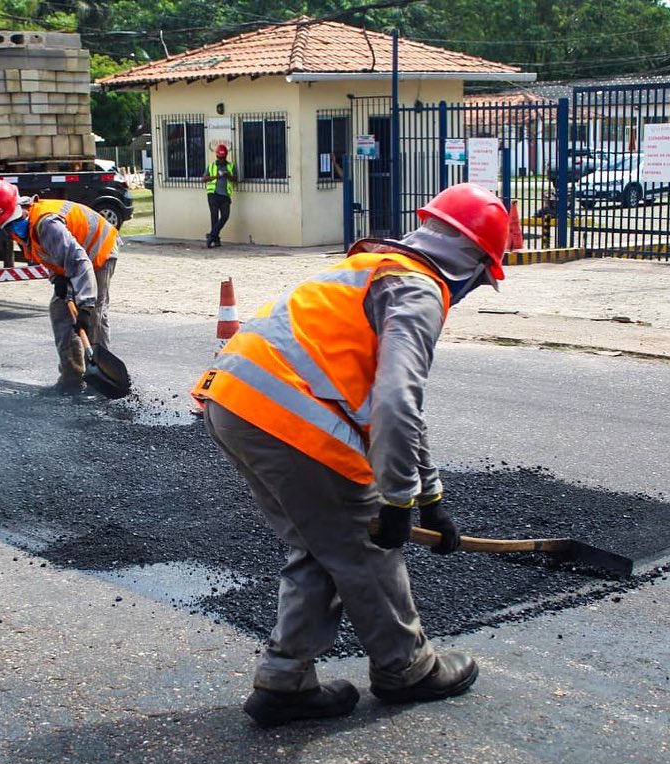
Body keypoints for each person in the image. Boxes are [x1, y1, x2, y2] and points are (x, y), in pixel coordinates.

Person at [190, 183, 510, 728]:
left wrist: (431, 497)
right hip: (286, 418)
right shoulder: (420, 290)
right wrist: (398, 500)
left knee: (322, 544)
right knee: (365, 545)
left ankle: (285, 681)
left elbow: (394, 403)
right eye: (482, 278)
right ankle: (407, 668)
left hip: (233, 402)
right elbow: (397, 402)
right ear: (474, 262)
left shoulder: (375, 268)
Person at [0, 178, 121, 396]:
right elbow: (49, 252)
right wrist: (59, 278)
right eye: (5, 223)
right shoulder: (16, 226)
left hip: (99, 250)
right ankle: (71, 378)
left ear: (18, 206)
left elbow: (79, 262)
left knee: (93, 315)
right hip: (76, 258)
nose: (9, 226)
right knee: (60, 310)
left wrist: (85, 306)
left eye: (10, 219)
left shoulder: (47, 224)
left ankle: (102, 381)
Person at [204, 144, 236, 248]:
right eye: (219, 157)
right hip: (212, 194)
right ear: (216, 156)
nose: (221, 160)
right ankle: (215, 240)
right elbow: (204, 179)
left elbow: (235, 179)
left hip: (225, 195)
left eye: (223, 158)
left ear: (226, 156)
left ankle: (211, 235)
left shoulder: (230, 166)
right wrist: (215, 177)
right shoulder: (211, 166)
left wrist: (228, 176)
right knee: (214, 217)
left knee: (225, 216)